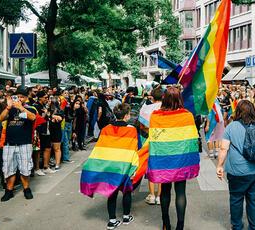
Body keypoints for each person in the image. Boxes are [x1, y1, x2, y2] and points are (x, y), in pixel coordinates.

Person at [216, 100, 255, 230]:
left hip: (237, 170)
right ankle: (254, 227)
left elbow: (223, 148)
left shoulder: (232, 126)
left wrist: (219, 166)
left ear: (238, 111)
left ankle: (237, 226)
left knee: (236, 198)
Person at [147, 86, 200, 230]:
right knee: (180, 192)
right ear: (179, 99)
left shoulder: (155, 116)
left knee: (165, 191)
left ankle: (166, 224)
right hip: (181, 160)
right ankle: (180, 226)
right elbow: (192, 140)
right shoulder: (187, 115)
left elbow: (153, 139)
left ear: (164, 98)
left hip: (163, 161)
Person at [80, 103, 137, 230]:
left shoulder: (106, 129)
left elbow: (100, 149)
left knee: (112, 192)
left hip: (110, 166)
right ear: (127, 116)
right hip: (125, 165)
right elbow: (133, 149)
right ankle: (126, 217)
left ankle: (112, 221)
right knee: (127, 191)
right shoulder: (131, 129)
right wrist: (134, 167)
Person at [0, 87, 37, 202]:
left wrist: (20, 107)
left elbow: (33, 117)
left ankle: (26, 189)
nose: (19, 99)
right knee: (9, 167)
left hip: (24, 143)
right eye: (17, 96)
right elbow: (0, 118)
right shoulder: (10, 109)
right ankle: (9, 190)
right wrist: (9, 107)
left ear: (26, 98)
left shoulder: (30, 108)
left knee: (25, 167)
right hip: (9, 143)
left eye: (22, 97)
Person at [138, 87, 163, 205]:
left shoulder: (146, 109)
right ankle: (159, 196)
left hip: (149, 140)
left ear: (152, 97)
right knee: (161, 168)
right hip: (162, 141)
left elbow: (141, 126)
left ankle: (152, 195)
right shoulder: (165, 109)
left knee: (151, 168)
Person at [34, 91, 56, 174]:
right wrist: (46, 113)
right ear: (40, 98)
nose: (47, 99)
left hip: (46, 129)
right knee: (38, 149)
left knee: (48, 147)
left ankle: (46, 166)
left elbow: (48, 116)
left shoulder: (44, 105)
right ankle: (37, 168)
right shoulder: (36, 106)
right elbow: (39, 119)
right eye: (45, 97)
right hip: (39, 130)